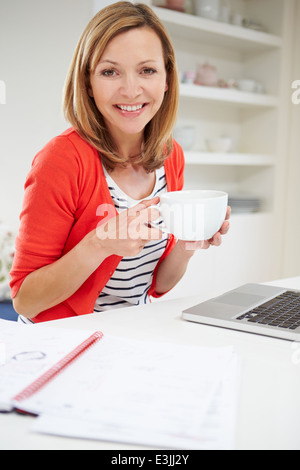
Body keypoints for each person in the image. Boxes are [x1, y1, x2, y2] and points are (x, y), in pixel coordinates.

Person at [10, 1, 230, 324]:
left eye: (147, 70)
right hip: (63, 343)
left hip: (130, 335)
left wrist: (187, 243)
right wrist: (99, 244)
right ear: (88, 82)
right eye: (110, 71)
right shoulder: (60, 160)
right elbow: (24, 300)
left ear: (167, 79)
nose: (130, 89)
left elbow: (157, 285)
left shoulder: (172, 156)